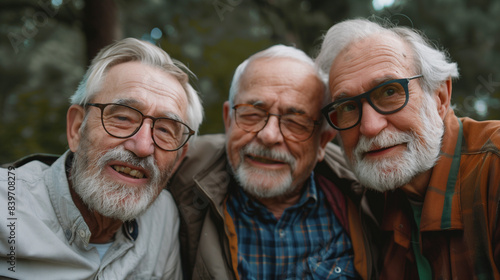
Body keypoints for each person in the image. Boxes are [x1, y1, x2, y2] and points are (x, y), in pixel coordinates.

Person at [168, 45, 378, 280]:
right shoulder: (176, 171)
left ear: (322, 142)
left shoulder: (370, 195)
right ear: (229, 120)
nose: (269, 136)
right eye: (252, 114)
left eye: (295, 122)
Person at [0, 38, 203, 279]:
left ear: (177, 160)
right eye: (123, 118)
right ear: (76, 128)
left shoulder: (163, 218)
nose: (142, 146)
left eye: (164, 131)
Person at [315, 18, 500, 279]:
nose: (369, 126)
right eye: (347, 107)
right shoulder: (375, 201)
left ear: (440, 97)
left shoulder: (494, 167)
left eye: (389, 91)